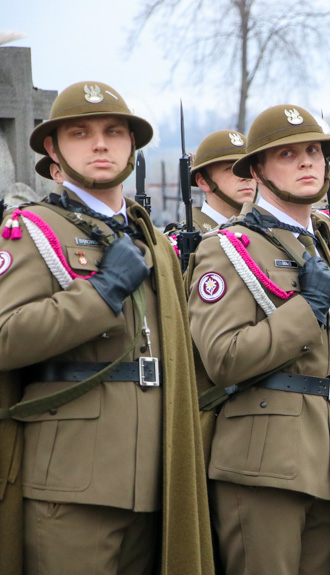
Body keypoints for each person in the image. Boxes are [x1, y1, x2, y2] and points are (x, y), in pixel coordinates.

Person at [0, 80, 213, 575]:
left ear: (132, 147)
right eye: (81, 132)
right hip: (73, 481)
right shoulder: (32, 230)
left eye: (114, 132)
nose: (100, 144)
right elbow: (6, 336)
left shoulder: (152, 239)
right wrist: (100, 293)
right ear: (53, 148)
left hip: (158, 477)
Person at [187, 104, 330, 575]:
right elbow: (223, 357)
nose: (306, 162)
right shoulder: (228, 246)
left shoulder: (318, 242)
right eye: (287, 154)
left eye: (313, 152)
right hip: (263, 461)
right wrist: (307, 309)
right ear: (256, 169)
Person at [165, 130, 255, 234]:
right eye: (231, 168)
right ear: (203, 181)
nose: (247, 176)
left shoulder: (265, 234)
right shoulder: (184, 238)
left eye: (250, 168)